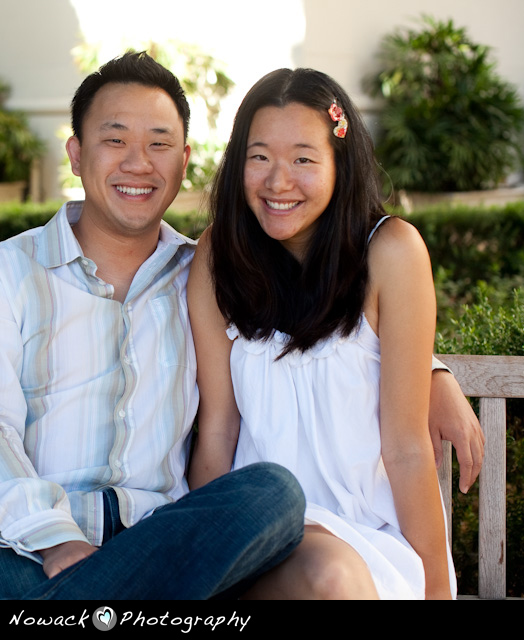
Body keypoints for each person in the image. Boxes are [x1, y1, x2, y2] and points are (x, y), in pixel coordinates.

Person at [0, 53, 482, 600]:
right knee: (272, 510)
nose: (138, 163)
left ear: (184, 160)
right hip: (25, 551)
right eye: (115, 140)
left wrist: (430, 372)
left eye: (158, 144)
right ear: (76, 155)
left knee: (272, 494)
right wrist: (56, 540)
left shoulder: (194, 269)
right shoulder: (7, 275)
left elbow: (342, 350)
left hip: (160, 548)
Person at [187, 68, 458, 599]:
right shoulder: (219, 257)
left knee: (334, 577)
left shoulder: (392, 252)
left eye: (303, 159)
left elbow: (406, 449)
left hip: (370, 538)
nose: (277, 181)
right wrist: (203, 550)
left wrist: (436, 588)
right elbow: (218, 430)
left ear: (341, 162)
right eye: (259, 156)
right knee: (328, 577)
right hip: (260, 532)